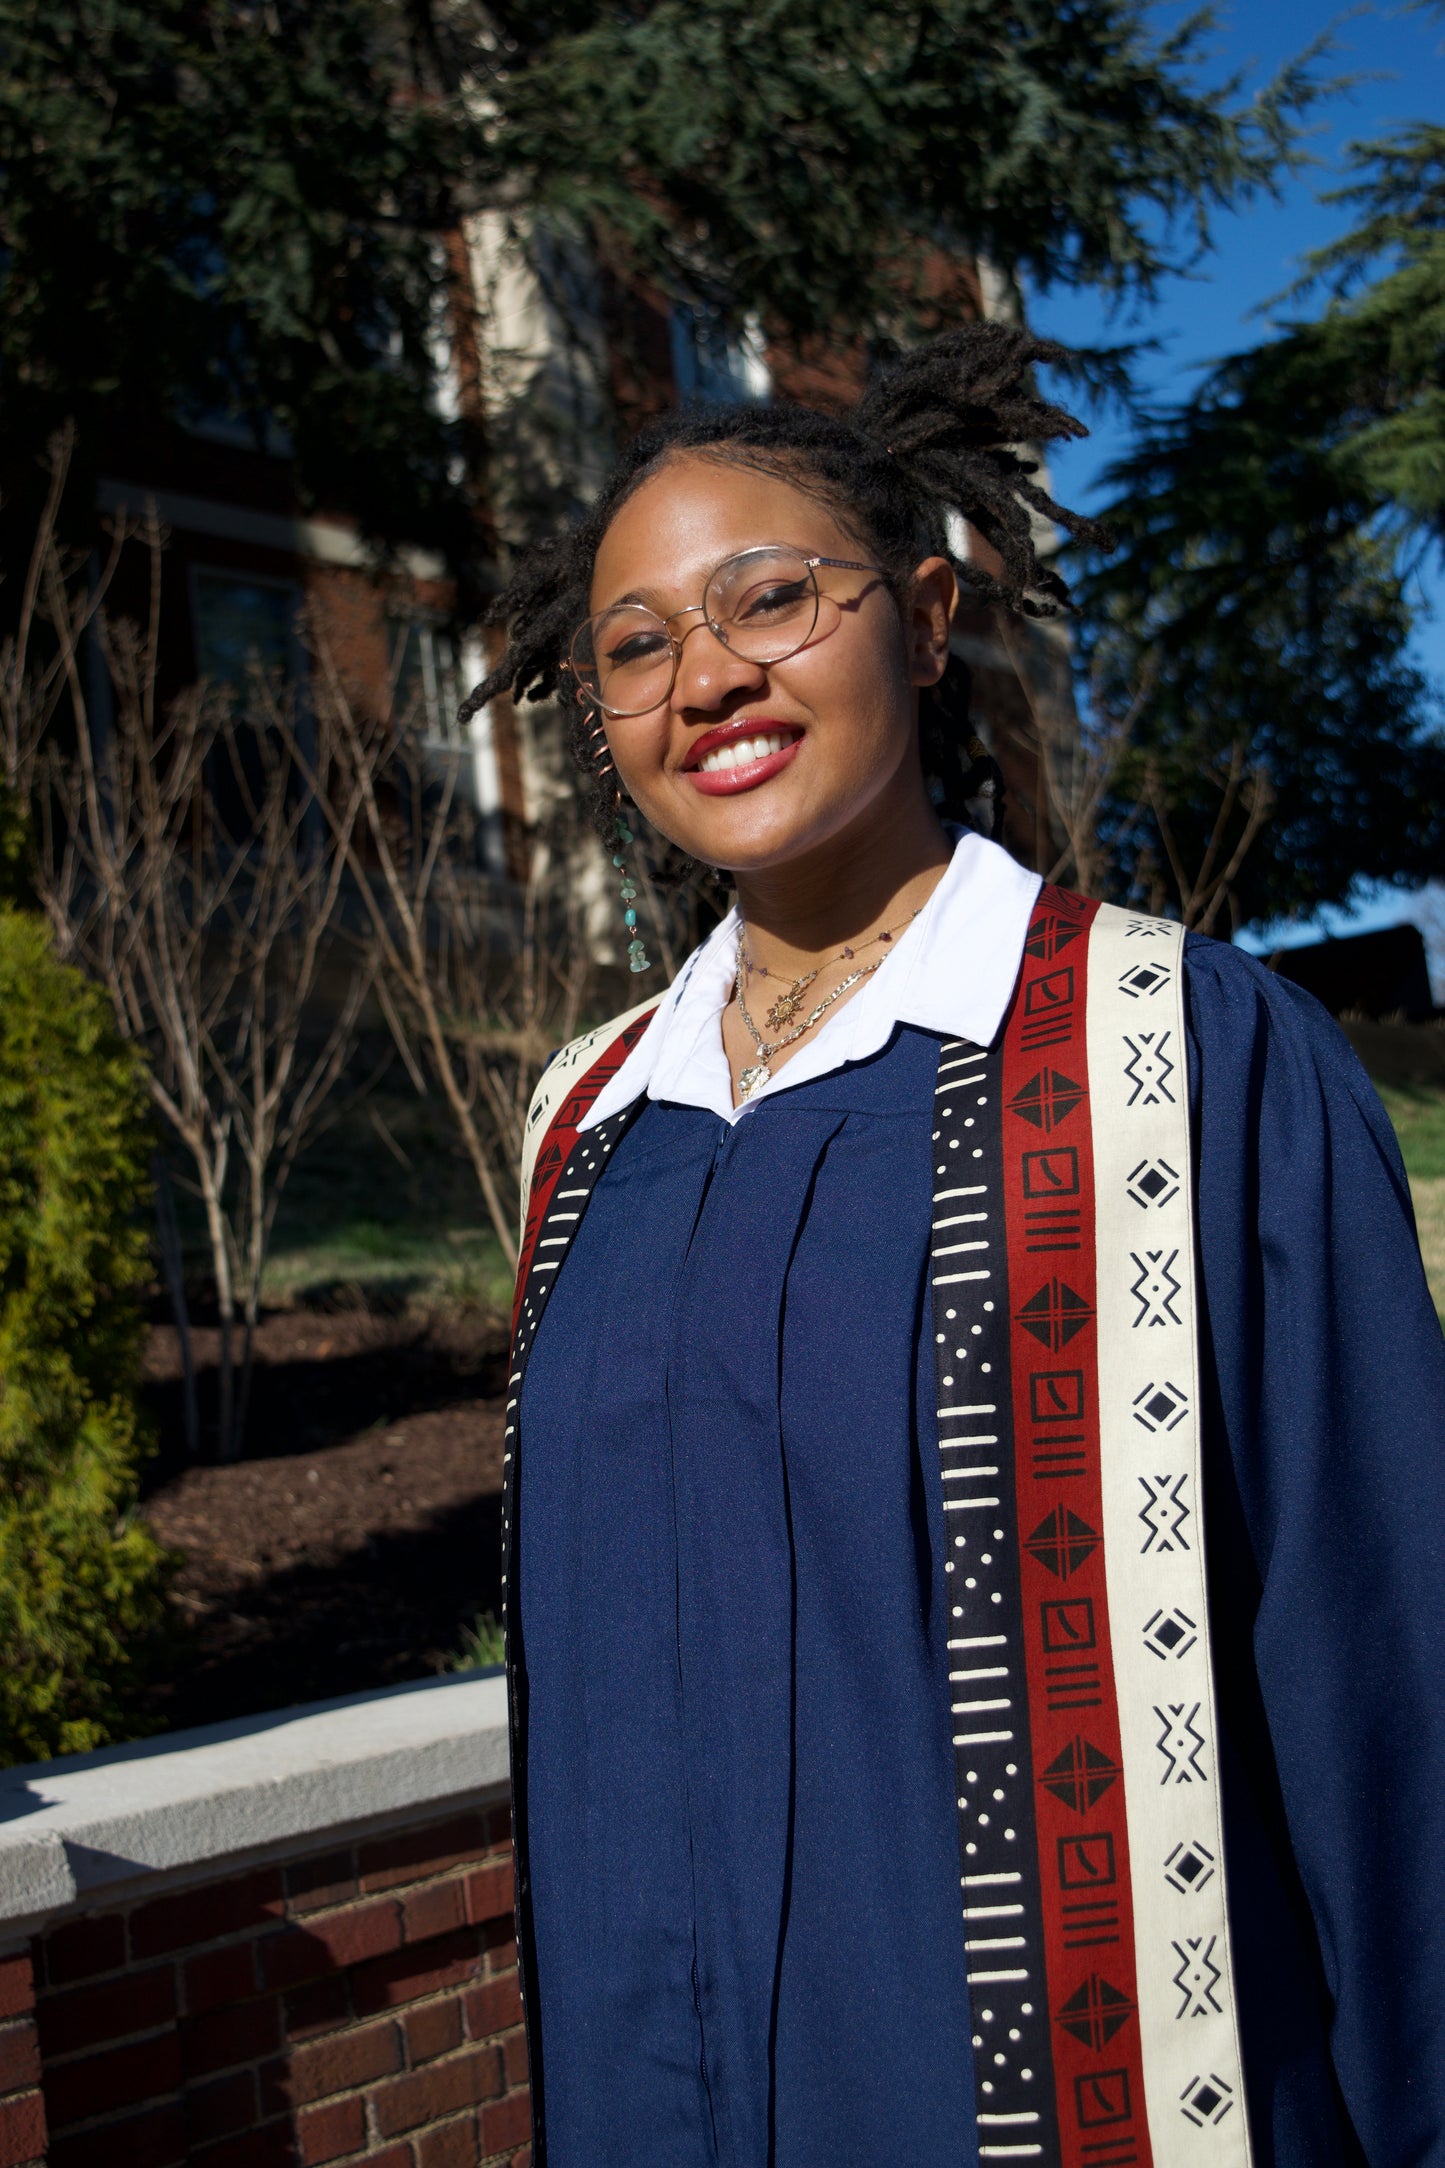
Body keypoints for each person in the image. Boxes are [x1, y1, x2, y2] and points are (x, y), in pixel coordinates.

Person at [461, 325, 1445, 2168]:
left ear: (922, 620)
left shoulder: (1175, 1053)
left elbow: (1387, 1666)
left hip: (1058, 2102)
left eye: (771, 599)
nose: (707, 676)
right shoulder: (584, 1130)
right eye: (636, 646)